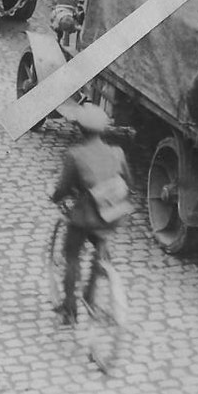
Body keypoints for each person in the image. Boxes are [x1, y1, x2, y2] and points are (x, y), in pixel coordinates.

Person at [49, 103, 132, 325]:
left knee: (72, 256)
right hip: (112, 216)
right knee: (101, 249)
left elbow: (64, 188)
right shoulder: (117, 152)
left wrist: (55, 198)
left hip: (85, 217)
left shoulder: (75, 155)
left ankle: (69, 310)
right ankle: (91, 294)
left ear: (80, 130)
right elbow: (129, 183)